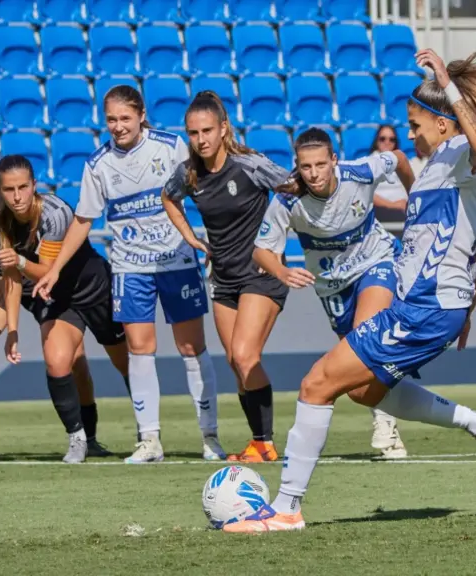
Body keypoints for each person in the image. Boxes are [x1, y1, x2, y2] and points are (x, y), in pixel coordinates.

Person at [225, 46, 476, 532]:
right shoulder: (446, 170)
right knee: (364, 390)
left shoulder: (463, 155)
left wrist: (446, 83)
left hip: (423, 307)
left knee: (318, 383)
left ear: (443, 123)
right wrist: (468, 312)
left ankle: (286, 509)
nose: (412, 132)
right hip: (431, 307)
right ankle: (472, 421)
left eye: (417, 123)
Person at [33, 85, 224, 463]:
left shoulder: (171, 147)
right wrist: (54, 269)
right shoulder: (98, 164)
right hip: (130, 267)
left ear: (140, 116)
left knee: (191, 348)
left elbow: (208, 184)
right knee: (139, 350)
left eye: (124, 118)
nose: (118, 126)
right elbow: (83, 220)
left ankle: (210, 436)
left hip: (175, 261)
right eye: (111, 120)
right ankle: (149, 441)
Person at [253, 127, 415, 459]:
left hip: (376, 262)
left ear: (334, 161)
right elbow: (261, 250)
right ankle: (390, 415)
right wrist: (282, 271)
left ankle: (385, 425)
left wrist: (417, 199)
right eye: (306, 166)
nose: (313, 174)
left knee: (364, 337)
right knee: (357, 379)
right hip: (331, 286)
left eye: (320, 165)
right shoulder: (287, 198)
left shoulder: (361, 172)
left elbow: (398, 157)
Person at [0, 137, 112, 462]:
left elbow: (46, 256)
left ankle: (88, 436)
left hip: (41, 276)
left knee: (72, 359)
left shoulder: (15, 188)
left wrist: (21, 265)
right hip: (3, 275)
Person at [162, 91, 290, 463]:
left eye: (206, 131)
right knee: (236, 363)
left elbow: (292, 189)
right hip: (223, 279)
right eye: (192, 132)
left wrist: (277, 243)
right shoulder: (189, 172)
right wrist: (191, 239)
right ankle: (259, 443)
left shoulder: (250, 165)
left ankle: (265, 443)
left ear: (224, 129)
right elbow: (168, 198)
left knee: (245, 355)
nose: (200, 140)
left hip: (260, 274)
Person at [0, 154, 130, 463]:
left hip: (94, 290)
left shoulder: (55, 213)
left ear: (34, 186)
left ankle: (148, 434)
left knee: (126, 364)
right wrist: (12, 331)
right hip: (58, 299)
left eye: (23, 187)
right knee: (56, 362)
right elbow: (13, 280)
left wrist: (21, 261)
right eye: (8, 189)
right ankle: (79, 439)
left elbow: (48, 269)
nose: (16, 197)